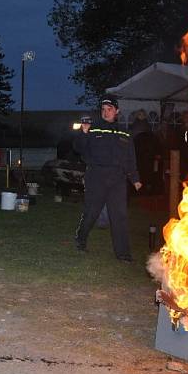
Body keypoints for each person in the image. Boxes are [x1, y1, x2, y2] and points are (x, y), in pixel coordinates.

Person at [73, 96, 142, 263]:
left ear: (117, 111)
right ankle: (80, 239)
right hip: (96, 176)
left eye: (109, 109)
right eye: (103, 109)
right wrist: (83, 132)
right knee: (92, 212)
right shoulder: (93, 128)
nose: (106, 112)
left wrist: (135, 178)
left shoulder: (124, 132)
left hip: (117, 179)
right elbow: (78, 148)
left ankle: (123, 253)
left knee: (119, 215)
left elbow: (130, 158)